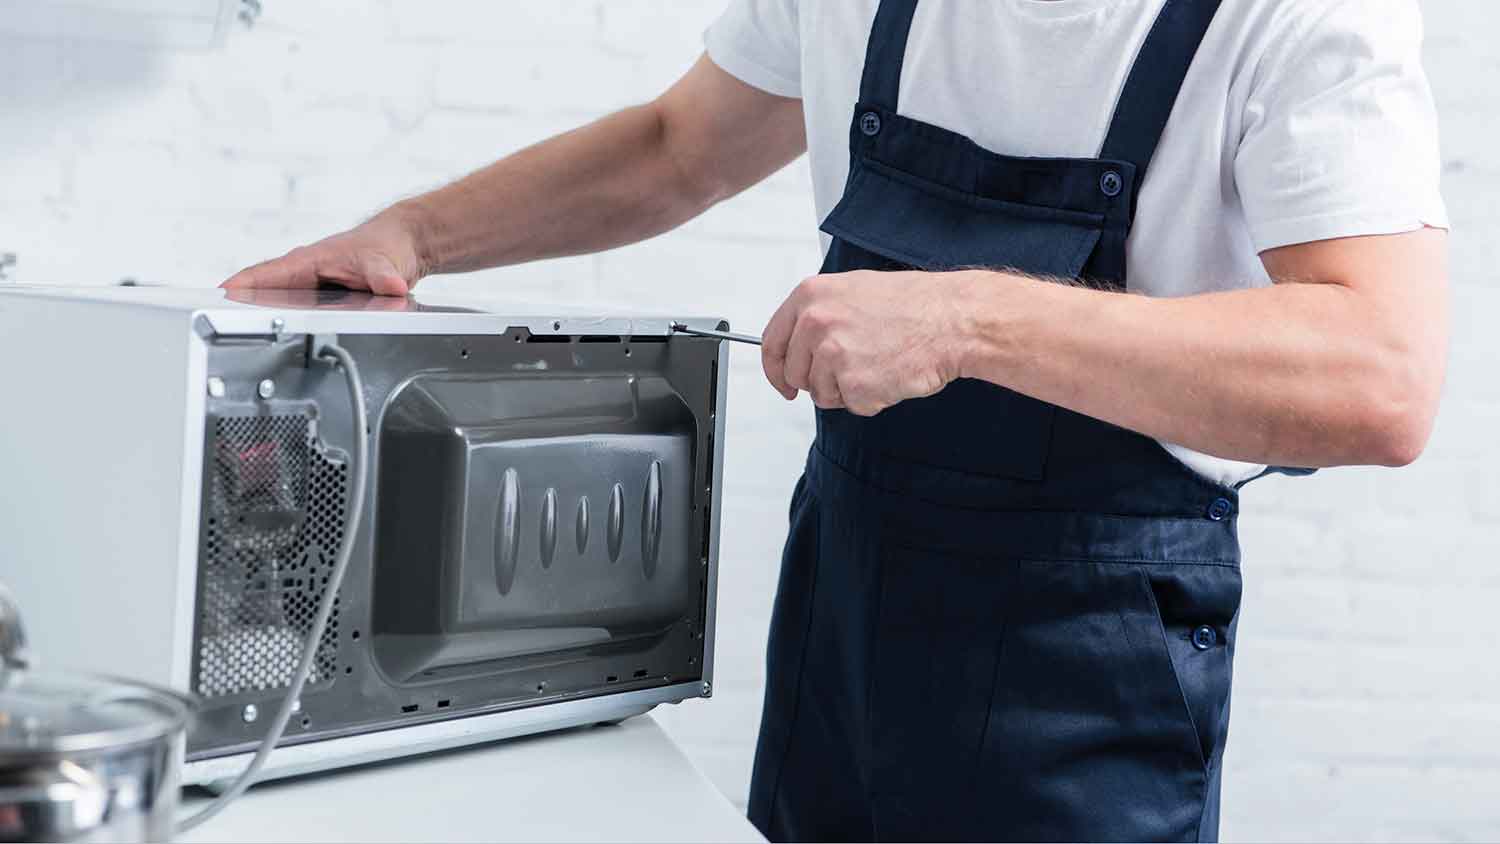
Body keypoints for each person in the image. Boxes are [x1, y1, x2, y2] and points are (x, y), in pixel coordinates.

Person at [225, 0, 1449, 840]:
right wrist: (412, 236)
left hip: (1096, 657)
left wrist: (968, 322)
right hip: (848, 620)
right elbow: (677, 145)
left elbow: (1382, 375)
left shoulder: (1298, 19)